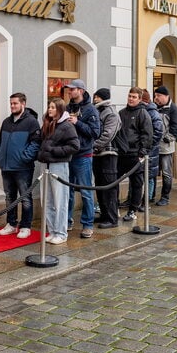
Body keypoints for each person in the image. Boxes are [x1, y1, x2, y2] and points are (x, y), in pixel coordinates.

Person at [0, 93, 41, 239]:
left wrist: (25, 157)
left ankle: (26, 226)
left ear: (23, 104)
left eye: (15, 103)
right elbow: (0, 140)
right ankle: (11, 224)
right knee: (9, 197)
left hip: (23, 168)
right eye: (11, 103)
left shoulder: (31, 122)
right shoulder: (6, 121)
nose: (12, 106)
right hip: (6, 167)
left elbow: (36, 143)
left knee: (25, 198)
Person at [37, 98, 79, 244]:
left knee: (60, 200)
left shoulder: (67, 127)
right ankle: (52, 230)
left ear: (60, 109)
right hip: (45, 164)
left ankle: (61, 232)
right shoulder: (48, 124)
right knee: (46, 200)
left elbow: (74, 146)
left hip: (59, 165)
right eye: (49, 107)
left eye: (53, 107)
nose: (50, 109)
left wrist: (54, 151)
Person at [64, 80, 100, 239]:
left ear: (81, 90)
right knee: (68, 190)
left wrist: (78, 122)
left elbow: (95, 132)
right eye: (69, 89)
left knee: (86, 191)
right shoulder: (68, 107)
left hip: (83, 155)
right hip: (68, 154)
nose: (69, 92)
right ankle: (67, 221)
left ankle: (87, 224)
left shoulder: (90, 109)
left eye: (72, 89)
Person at [114, 88, 153, 221]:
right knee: (114, 181)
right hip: (120, 154)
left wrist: (142, 152)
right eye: (130, 96)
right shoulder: (121, 113)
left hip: (135, 154)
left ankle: (132, 210)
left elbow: (147, 135)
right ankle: (115, 207)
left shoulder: (143, 114)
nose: (131, 99)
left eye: (134, 97)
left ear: (140, 99)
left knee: (136, 183)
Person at [91, 88, 120, 228]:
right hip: (98, 155)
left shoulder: (111, 113)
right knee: (100, 186)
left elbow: (108, 134)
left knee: (109, 188)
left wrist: (94, 146)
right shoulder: (98, 111)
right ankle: (104, 214)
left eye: (96, 97)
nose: (94, 99)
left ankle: (112, 218)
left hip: (108, 154)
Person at [153, 86, 177, 205]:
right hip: (154, 146)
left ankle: (165, 197)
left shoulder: (173, 109)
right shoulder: (155, 107)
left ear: (166, 96)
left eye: (158, 96)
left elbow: (176, 128)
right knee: (152, 172)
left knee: (166, 173)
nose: (156, 98)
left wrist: (166, 138)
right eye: (155, 96)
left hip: (166, 147)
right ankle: (150, 196)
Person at [140, 89, 165, 205]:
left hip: (150, 150)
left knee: (149, 176)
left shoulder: (152, 113)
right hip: (142, 149)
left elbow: (158, 131)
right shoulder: (143, 111)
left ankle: (148, 199)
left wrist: (148, 145)